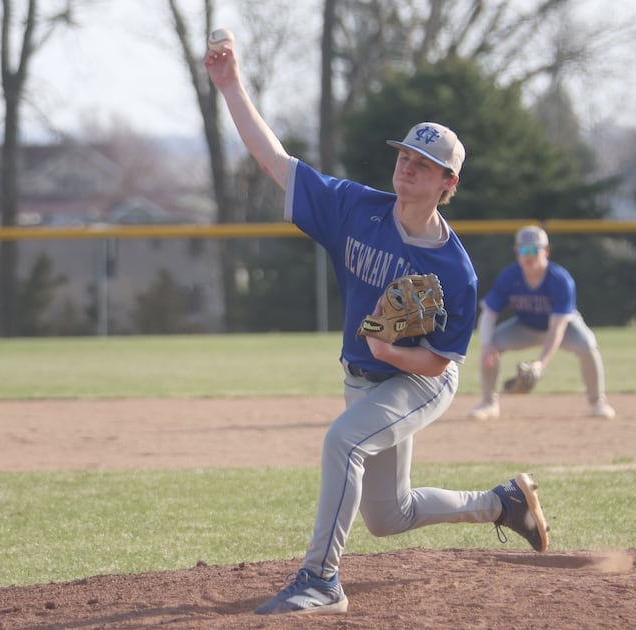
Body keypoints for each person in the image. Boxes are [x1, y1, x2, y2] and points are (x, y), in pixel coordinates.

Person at [204, 35, 549, 616]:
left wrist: (391, 354)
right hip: (368, 373)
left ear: (448, 185)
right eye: (405, 158)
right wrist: (231, 86)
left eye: (425, 166)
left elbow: (439, 363)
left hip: (419, 380)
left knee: (343, 440)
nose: (408, 169)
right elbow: (275, 163)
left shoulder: (454, 272)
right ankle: (503, 503)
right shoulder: (356, 210)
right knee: (390, 517)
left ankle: (320, 579)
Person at [468, 225, 616, 420]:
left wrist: (541, 364)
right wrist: (486, 345)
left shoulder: (560, 280)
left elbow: (557, 328)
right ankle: (489, 403)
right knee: (492, 345)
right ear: (516, 252)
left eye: (533, 250)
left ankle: (598, 402)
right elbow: (488, 314)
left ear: (546, 251)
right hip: (525, 327)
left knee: (587, 345)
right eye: (523, 250)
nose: (527, 255)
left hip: (563, 328)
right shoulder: (510, 276)